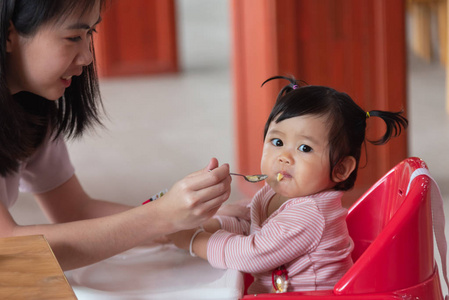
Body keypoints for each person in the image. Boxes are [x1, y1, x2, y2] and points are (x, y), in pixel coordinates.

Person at [0, 0, 232, 271]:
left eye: (90, 34)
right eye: (73, 37)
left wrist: (194, 223)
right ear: (8, 34)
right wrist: (160, 216)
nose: (87, 56)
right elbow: (9, 249)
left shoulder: (29, 110)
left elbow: (75, 210)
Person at [168, 75, 408, 294]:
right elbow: (251, 226)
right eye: (277, 141)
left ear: (341, 168)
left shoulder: (310, 214)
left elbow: (250, 253)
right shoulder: (273, 193)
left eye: (304, 148)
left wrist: (192, 240)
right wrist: (209, 224)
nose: (284, 157)